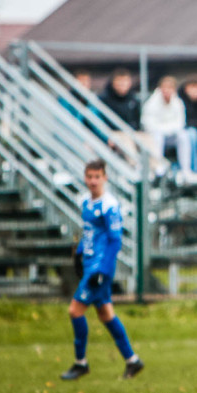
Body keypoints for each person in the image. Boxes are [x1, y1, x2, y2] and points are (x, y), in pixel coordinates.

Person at [60, 159, 144, 381]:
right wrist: (79, 254)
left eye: (97, 177)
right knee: (106, 314)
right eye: (89, 176)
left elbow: (115, 241)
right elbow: (89, 233)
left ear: (105, 178)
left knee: (74, 311)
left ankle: (81, 363)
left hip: (99, 269)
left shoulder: (109, 205)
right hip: (89, 264)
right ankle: (132, 360)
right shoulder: (86, 202)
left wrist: (103, 271)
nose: (93, 181)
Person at [141, 76, 195, 183]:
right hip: (155, 136)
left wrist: (167, 129)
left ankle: (186, 171)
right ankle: (158, 167)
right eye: (164, 88)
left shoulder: (178, 102)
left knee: (184, 136)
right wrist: (165, 129)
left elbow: (180, 123)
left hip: (171, 135)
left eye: (170, 88)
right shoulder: (151, 103)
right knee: (158, 136)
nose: (167, 91)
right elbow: (149, 124)